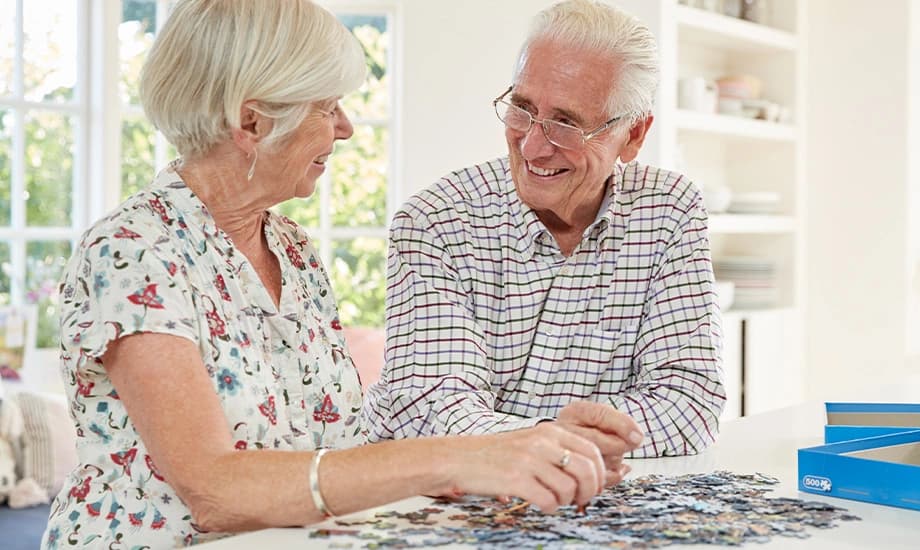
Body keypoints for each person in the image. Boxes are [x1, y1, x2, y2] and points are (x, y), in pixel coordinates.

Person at [43, 1, 623, 547]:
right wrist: (457, 457)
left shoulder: (292, 249)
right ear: (250, 121)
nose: (344, 128)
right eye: (327, 107)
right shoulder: (132, 251)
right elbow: (217, 492)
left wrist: (526, 440)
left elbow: (337, 449)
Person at [364, 0, 726, 460]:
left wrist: (542, 444)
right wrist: (564, 442)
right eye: (522, 108)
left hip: (595, 508)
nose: (533, 146)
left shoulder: (669, 210)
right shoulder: (436, 221)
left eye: (565, 123)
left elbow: (689, 403)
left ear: (633, 136)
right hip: (436, 504)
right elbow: (433, 414)